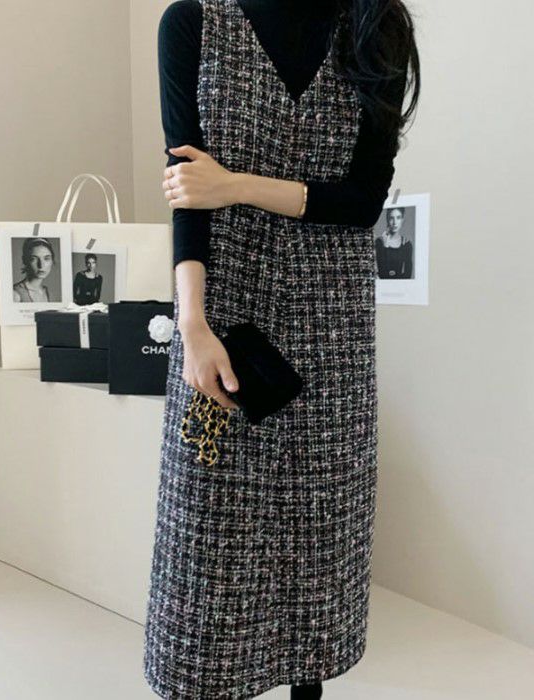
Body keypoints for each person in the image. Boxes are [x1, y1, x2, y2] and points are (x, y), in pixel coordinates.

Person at [143, 1, 420, 698]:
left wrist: (234, 186)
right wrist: (191, 324)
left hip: (333, 325)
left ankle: (307, 684)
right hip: (221, 317)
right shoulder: (192, 23)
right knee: (207, 541)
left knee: (317, 538)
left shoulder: (374, 26)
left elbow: (362, 200)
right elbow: (187, 192)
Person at [12, 237, 55, 302]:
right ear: (25, 260)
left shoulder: (49, 293)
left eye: (46, 258)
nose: (41, 265)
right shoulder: (15, 294)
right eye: (33, 259)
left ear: (52, 261)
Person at [375, 206, 413, 278]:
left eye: (398, 218)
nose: (395, 222)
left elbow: (408, 275)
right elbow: (381, 272)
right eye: (391, 218)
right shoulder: (379, 242)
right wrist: (385, 247)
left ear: (402, 220)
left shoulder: (407, 244)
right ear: (387, 220)